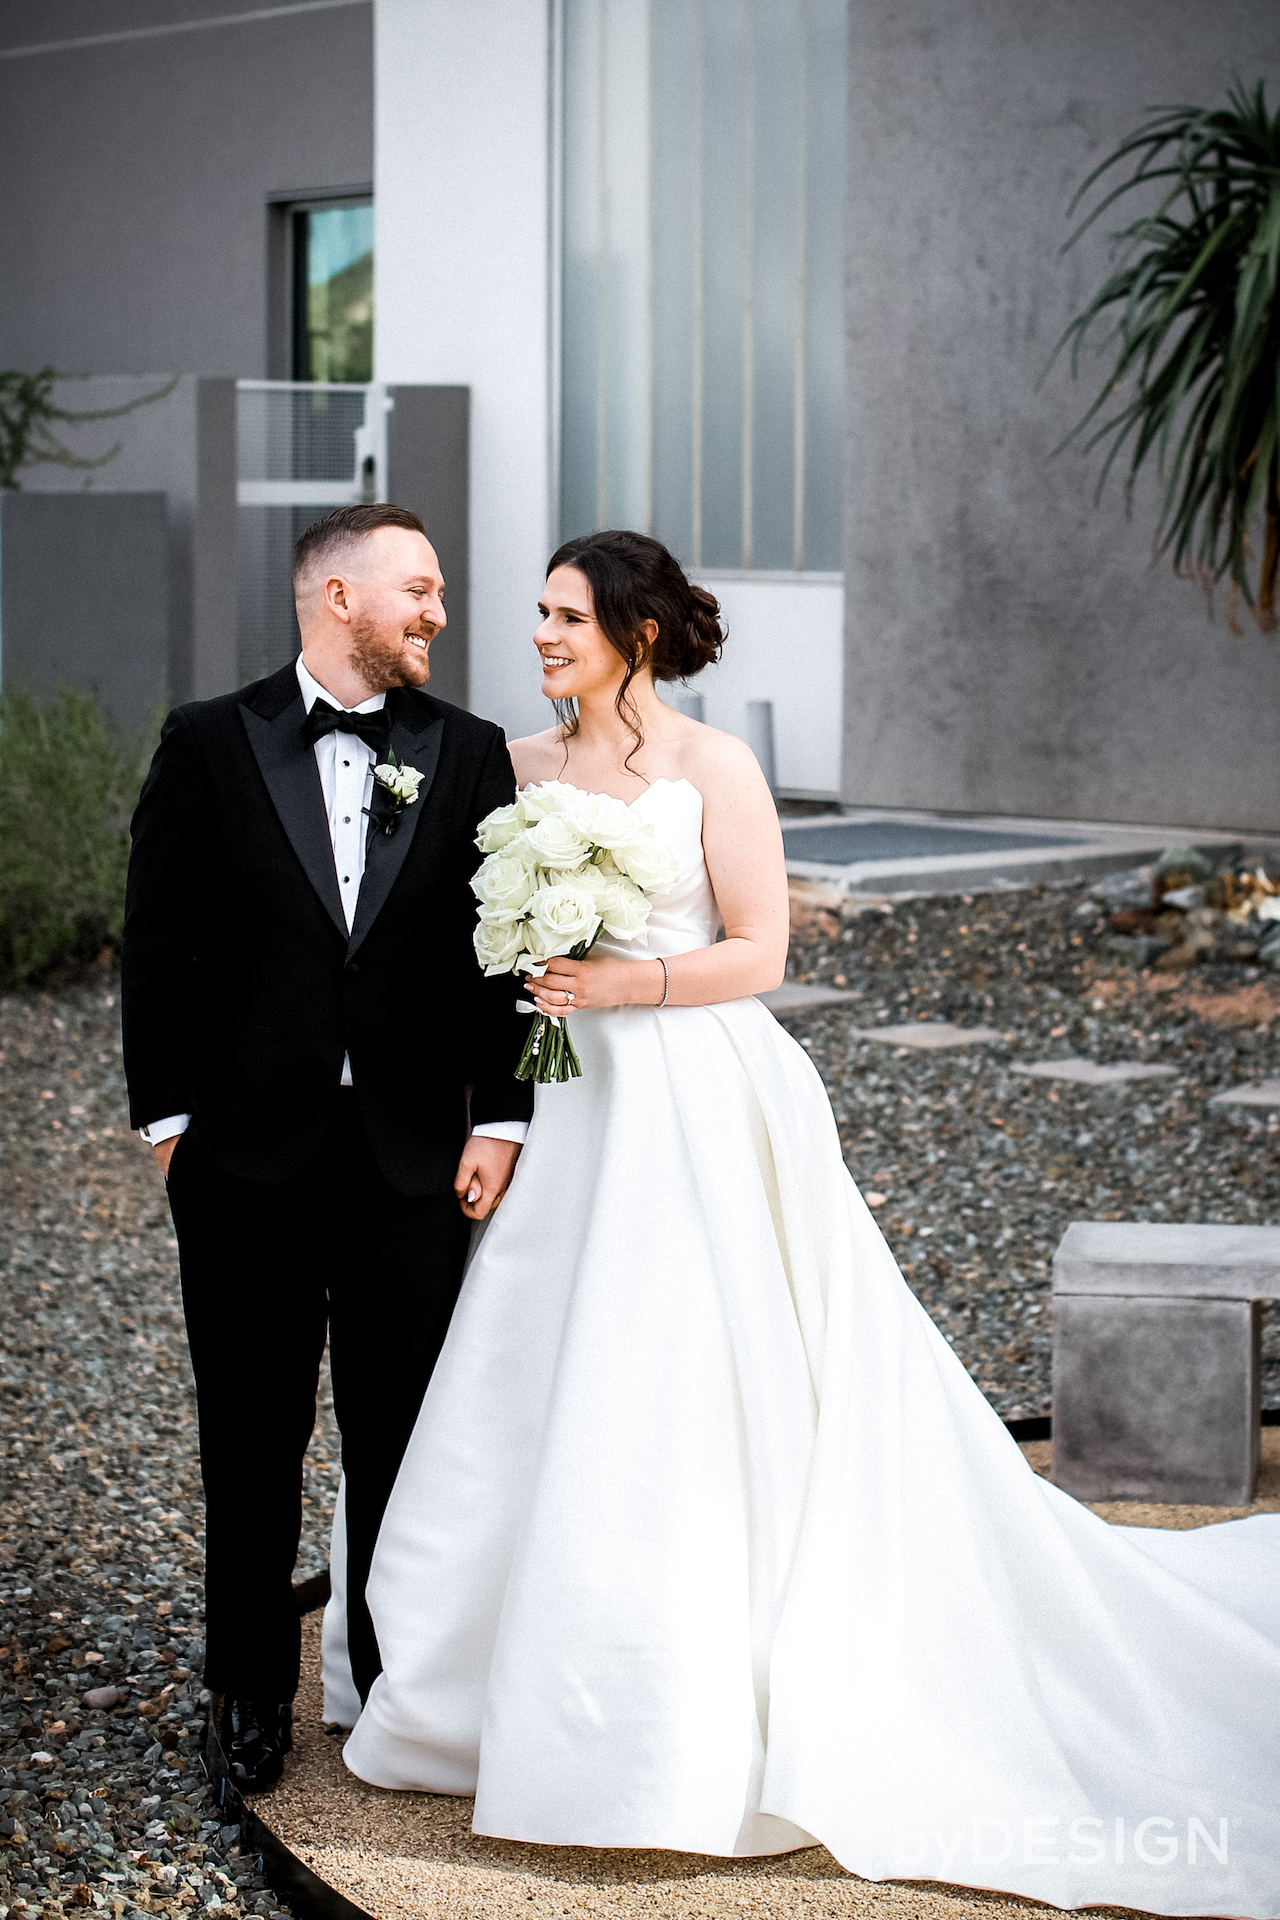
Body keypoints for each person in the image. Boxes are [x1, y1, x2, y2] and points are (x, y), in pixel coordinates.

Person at [332, 529, 1280, 1918]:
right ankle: (487, 1687)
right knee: (534, 1370)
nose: (540, 636)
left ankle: (696, 1712)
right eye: (536, 614)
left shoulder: (713, 768)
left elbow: (762, 951)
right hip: (558, 1105)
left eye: (568, 617)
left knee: (687, 1380)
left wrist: (622, 985)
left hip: (694, 1097)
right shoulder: (513, 771)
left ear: (636, 635)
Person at [121, 503, 533, 1793]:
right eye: (419, 588)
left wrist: (503, 1113)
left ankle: (381, 1679)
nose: (441, 613)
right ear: (336, 599)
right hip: (240, 1165)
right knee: (246, 1438)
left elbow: (500, 951)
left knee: (401, 1433)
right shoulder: (208, 743)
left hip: (413, 1164)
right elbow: (161, 941)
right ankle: (247, 1692)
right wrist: (170, 1123)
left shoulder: (464, 752)